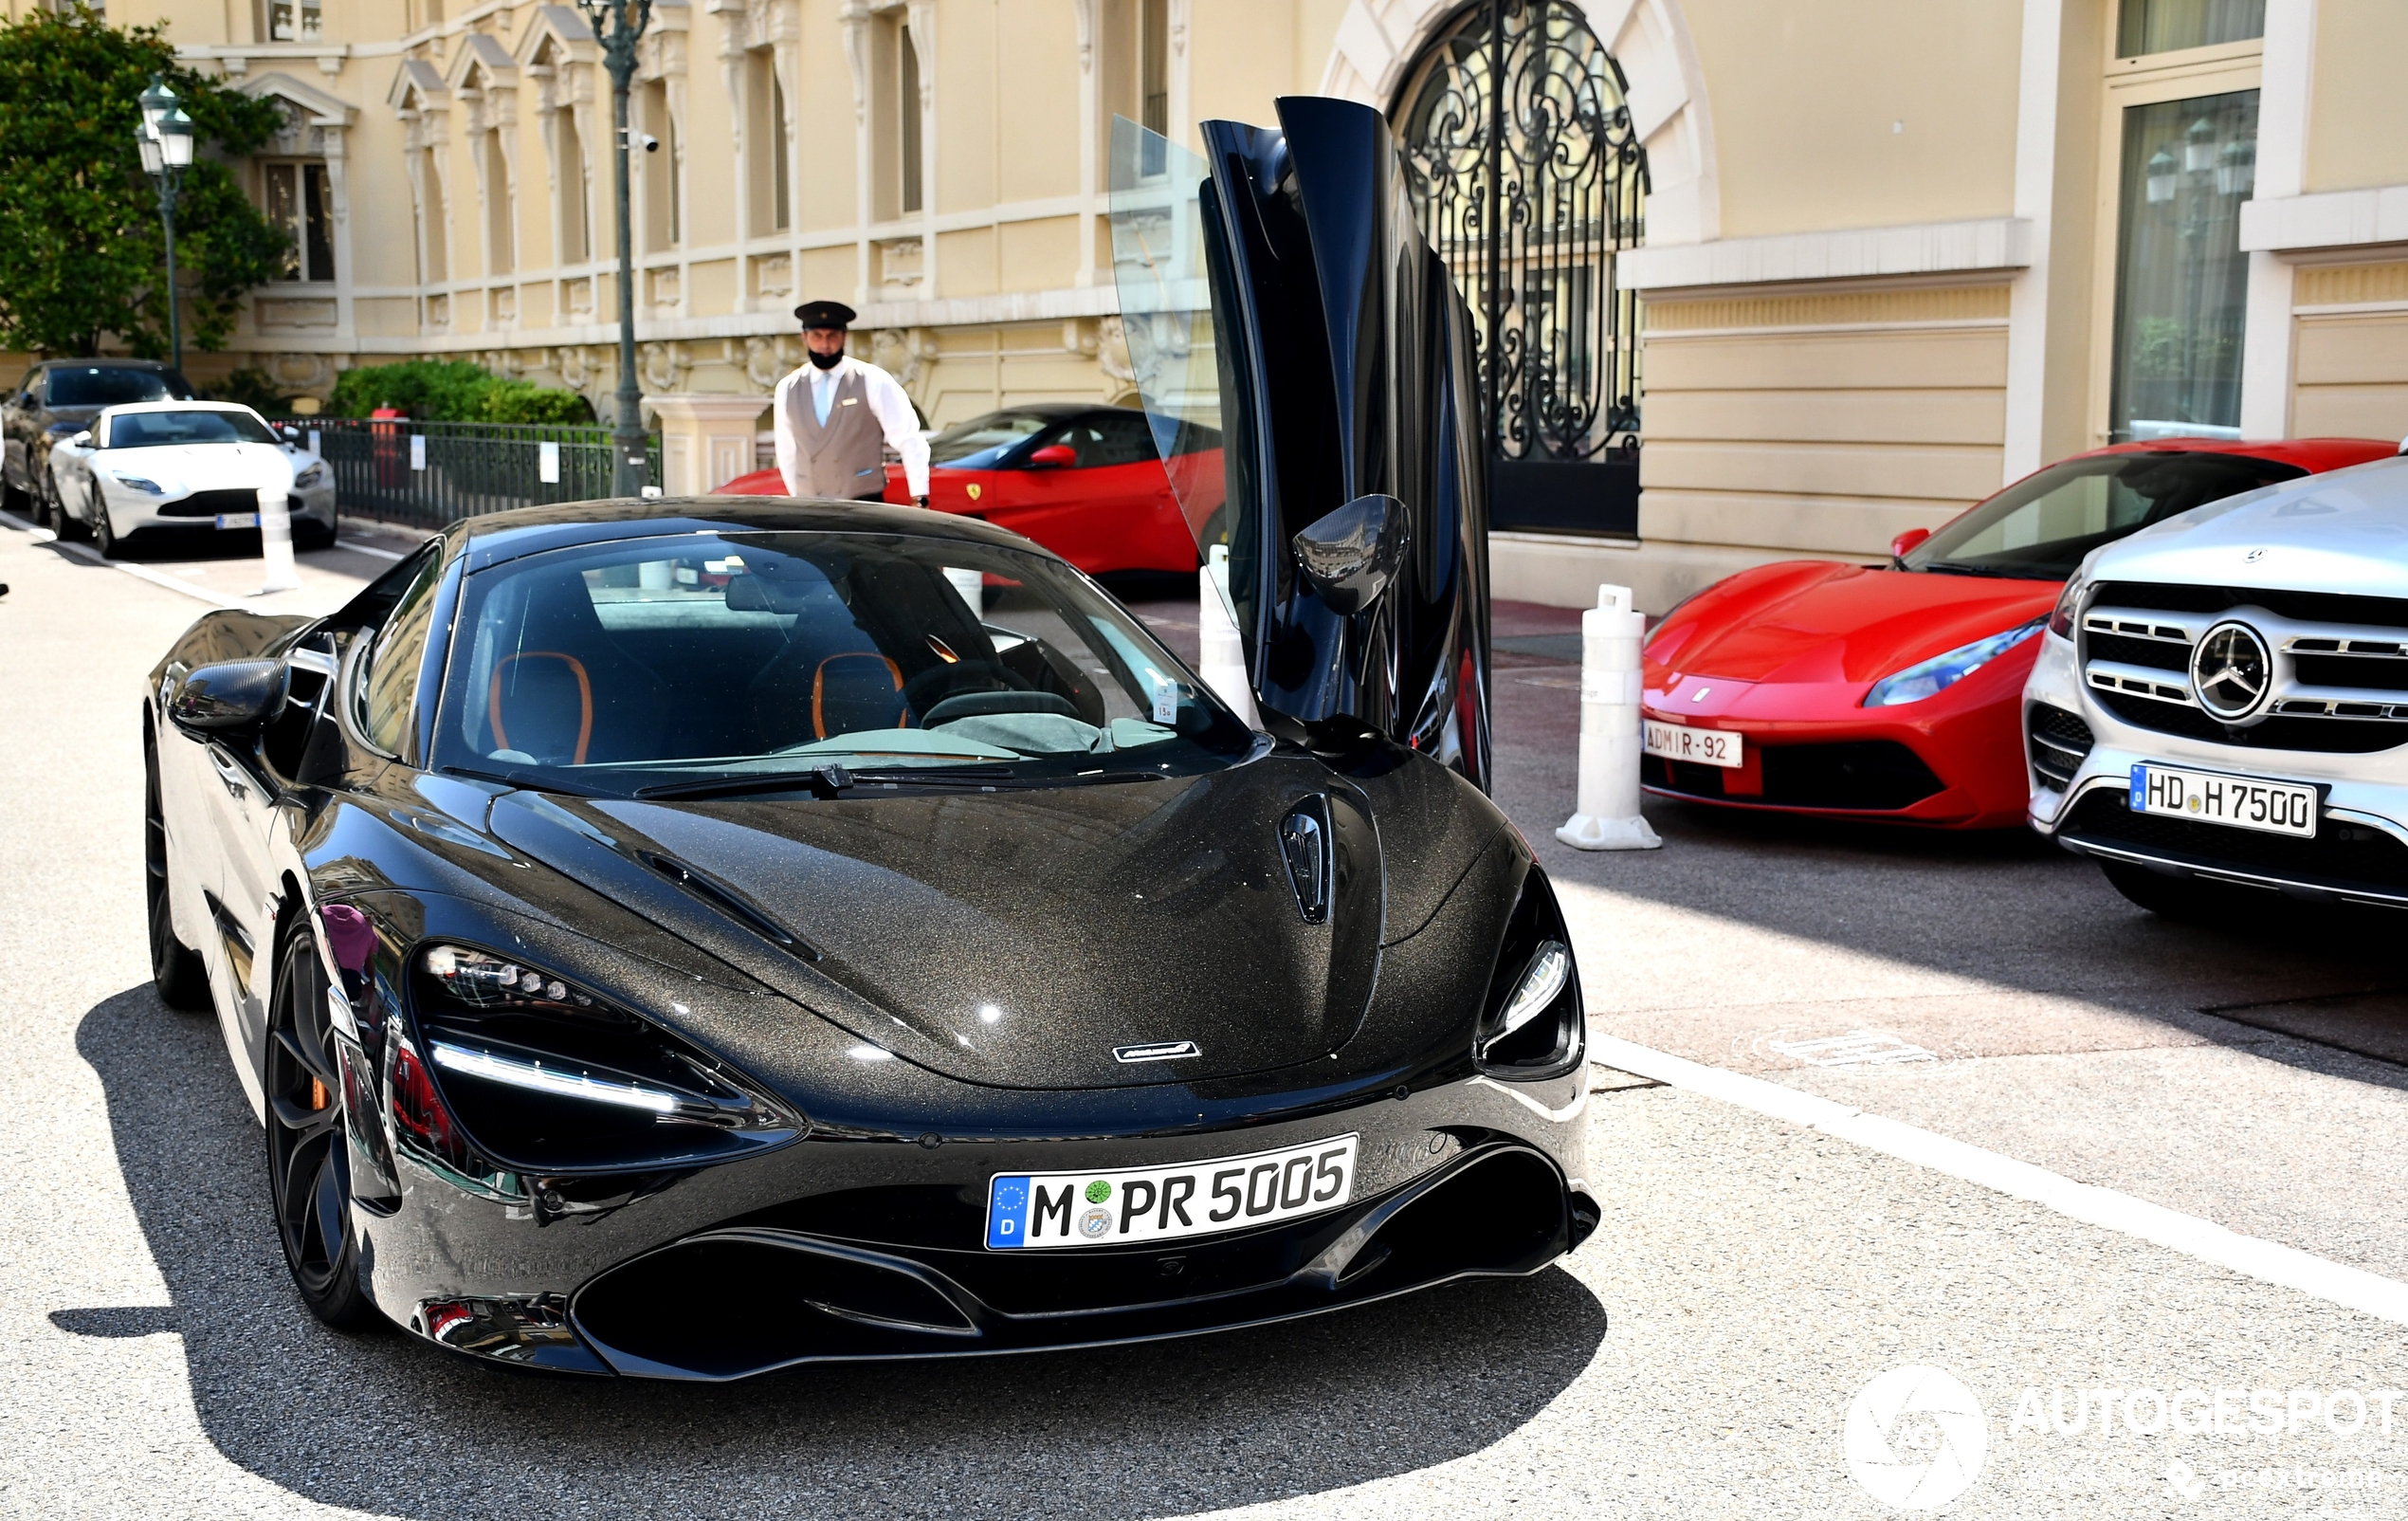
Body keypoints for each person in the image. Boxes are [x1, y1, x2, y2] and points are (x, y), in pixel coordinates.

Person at [772, 300, 931, 504]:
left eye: (832, 336)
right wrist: (798, 496)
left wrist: (919, 495)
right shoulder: (787, 388)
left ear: (844, 337)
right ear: (804, 337)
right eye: (817, 336)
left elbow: (909, 439)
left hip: (863, 503)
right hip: (809, 506)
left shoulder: (873, 380)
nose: (825, 345)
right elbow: (786, 452)